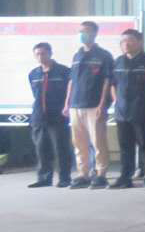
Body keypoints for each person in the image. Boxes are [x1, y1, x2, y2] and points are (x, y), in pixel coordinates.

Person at [64, 20, 115, 190]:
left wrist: (102, 104)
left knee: (98, 142)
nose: (82, 34)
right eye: (80, 31)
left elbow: (107, 81)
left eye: (85, 31)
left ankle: (101, 174)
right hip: (75, 105)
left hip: (94, 105)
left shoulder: (104, 55)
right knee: (79, 143)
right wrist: (67, 103)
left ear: (94, 33)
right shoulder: (77, 55)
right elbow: (71, 81)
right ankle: (83, 174)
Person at [109, 29, 145, 189]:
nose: (126, 44)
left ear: (139, 42)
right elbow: (113, 84)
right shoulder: (118, 61)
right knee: (125, 146)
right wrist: (116, 101)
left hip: (142, 110)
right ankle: (125, 177)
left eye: (130, 40)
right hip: (122, 111)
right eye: (123, 41)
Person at [27, 43, 72, 188]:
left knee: (61, 148)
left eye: (43, 53)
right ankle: (44, 178)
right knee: (41, 148)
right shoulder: (33, 74)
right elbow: (35, 94)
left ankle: (64, 178)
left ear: (50, 53)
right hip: (39, 116)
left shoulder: (64, 71)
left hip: (57, 115)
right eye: (37, 54)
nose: (40, 57)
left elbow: (70, 92)